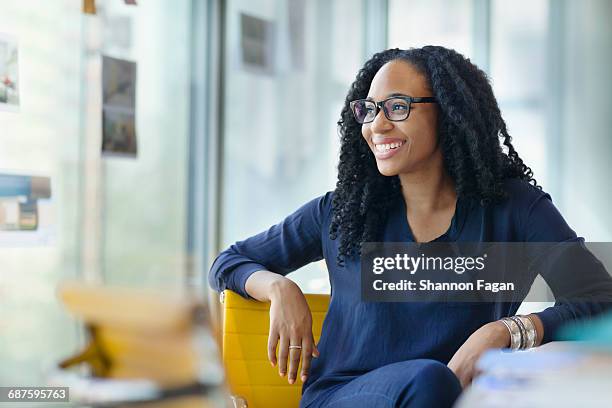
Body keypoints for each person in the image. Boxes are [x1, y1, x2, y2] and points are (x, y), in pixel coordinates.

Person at [208, 46, 612, 408]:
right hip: (341, 397)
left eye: (398, 107)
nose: (377, 125)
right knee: (429, 378)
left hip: (456, 397)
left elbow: (598, 294)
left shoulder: (514, 209)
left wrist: (503, 331)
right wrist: (280, 287)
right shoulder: (343, 211)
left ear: (451, 114)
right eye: (368, 109)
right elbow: (229, 261)